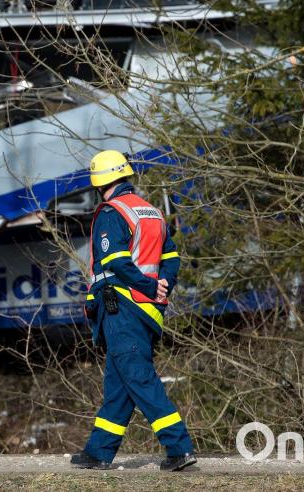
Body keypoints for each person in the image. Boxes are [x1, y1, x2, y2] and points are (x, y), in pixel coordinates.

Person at [70, 149, 197, 471]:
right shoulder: (151, 212)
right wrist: (162, 284)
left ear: (100, 183)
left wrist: (148, 286)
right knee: (119, 386)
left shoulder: (111, 212)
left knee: (139, 378)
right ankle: (98, 452)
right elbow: (171, 258)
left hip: (122, 308)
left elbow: (116, 262)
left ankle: (179, 447)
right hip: (146, 310)